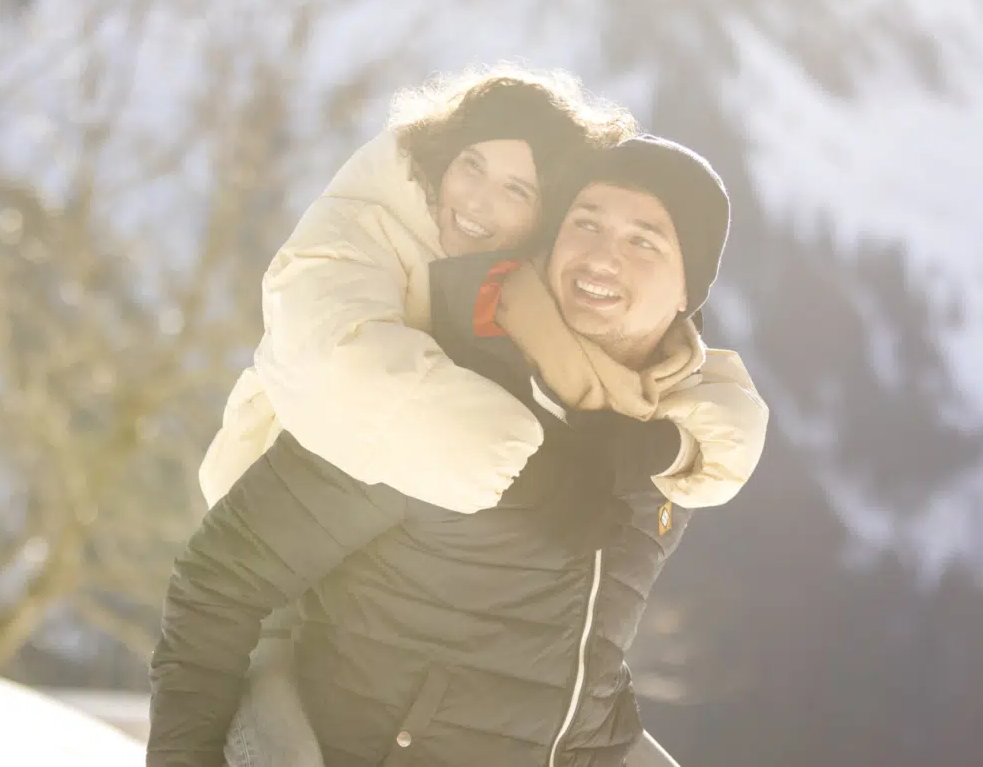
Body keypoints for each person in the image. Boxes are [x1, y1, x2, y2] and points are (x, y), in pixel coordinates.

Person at [195, 67, 769, 765]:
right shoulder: (450, 370)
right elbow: (225, 573)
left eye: (642, 241)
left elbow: (573, 661)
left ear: (688, 292)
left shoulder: (661, 420)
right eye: (584, 223)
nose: (599, 255)